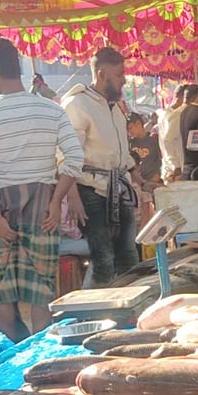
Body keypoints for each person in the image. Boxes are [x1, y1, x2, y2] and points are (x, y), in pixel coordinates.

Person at [0, 40, 84, 334]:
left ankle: (16, 357)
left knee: (3, 293)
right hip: (43, 209)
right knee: (41, 293)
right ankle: (38, 358)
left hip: (1, 211)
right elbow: (74, 157)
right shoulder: (52, 111)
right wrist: (56, 202)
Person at [62, 47, 142, 288]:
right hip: (90, 191)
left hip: (119, 188)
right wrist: (73, 195)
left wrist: (138, 177)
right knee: (103, 260)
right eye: (119, 75)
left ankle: (128, 311)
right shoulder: (77, 104)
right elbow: (67, 156)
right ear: (102, 74)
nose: (124, 79)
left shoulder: (115, 107)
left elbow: (120, 153)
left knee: (128, 256)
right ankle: (93, 315)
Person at [158, 83, 197, 183]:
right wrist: (176, 166)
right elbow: (168, 140)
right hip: (175, 170)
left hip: (172, 167)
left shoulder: (167, 114)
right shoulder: (175, 115)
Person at [127, 112, 162, 187]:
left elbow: (161, 161)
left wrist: (155, 179)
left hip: (154, 182)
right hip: (138, 183)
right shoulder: (129, 143)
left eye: (130, 128)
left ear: (138, 123)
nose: (129, 132)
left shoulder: (154, 139)